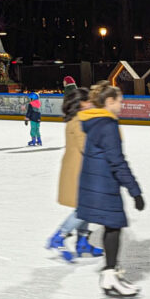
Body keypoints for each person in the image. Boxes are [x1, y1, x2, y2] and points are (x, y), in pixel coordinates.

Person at [76, 81, 145, 297]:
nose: (122, 105)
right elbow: (117, 161)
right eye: (120, 101)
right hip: (104, 183)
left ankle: (109, 276)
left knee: (112, 227)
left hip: (95, 183)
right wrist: (135, 191)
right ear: (109, 101)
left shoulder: (95, 122)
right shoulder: (108, 125)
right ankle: (110, 275)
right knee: (114, 226)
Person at [46, 87, 103, 261]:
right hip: (80, 170)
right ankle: (59, 237)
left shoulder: (77, 119)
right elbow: (86, 147)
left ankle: (82, 242)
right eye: (89, 101)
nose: (92, 104)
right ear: (80, 103)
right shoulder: (79, 121)